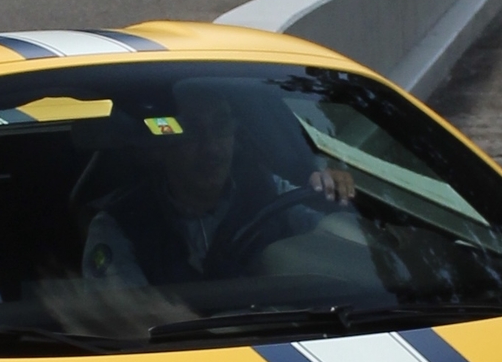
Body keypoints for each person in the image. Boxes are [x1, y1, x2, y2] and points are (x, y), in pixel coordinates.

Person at [81, 84, 353, 286]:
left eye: (221, 126)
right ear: (160, 147)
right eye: (192, 130)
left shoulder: (268, 191)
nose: (211, 147)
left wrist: (332, 191)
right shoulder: (118, 224)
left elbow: (337, 242)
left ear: (236, 134)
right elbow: (127, 317)